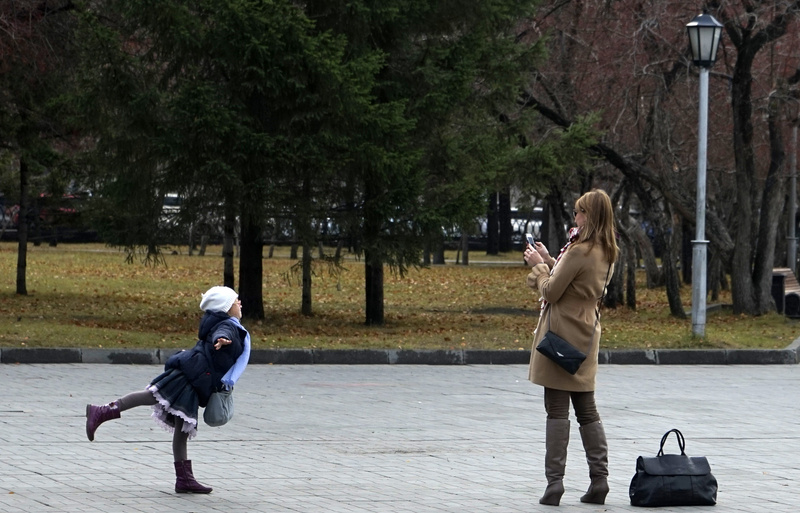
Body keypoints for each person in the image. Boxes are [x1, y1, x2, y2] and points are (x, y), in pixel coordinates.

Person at [85, 285, 251, 494]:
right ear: (226, 307)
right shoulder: (228, 326)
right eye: (236, 301)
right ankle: (101, 411)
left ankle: (184, 480)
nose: (240, 303)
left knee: (181, 430)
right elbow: (223, 332)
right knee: (152, 395)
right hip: (190, 376)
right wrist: (221, 340)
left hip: (196, 379)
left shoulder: (226, 323)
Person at [523, 189, 618, 506]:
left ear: (589, 216)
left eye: (579, 212)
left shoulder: (579, 251)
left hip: (560, 335)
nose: (575, 217)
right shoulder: (606, 251)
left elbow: (551, 291)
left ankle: (554, 484)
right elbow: (578, 284)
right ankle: (599, 481)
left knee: (557, 411)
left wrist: (539, 267)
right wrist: (552, 260)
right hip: (586, 335)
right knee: (587, 411)